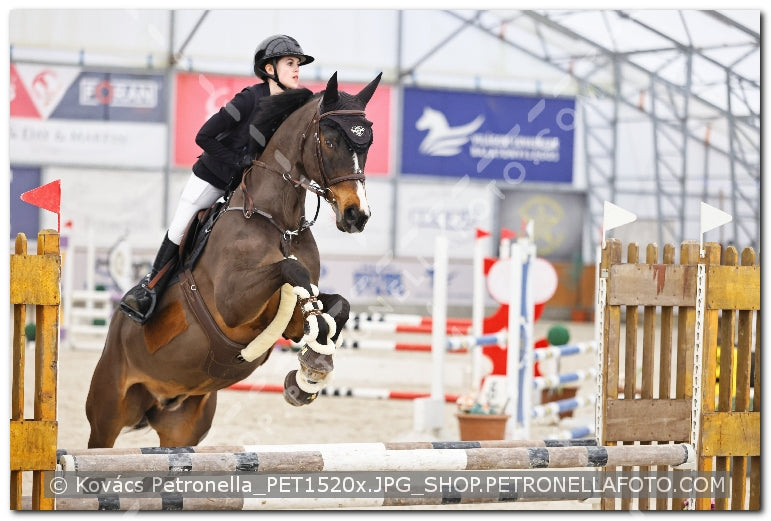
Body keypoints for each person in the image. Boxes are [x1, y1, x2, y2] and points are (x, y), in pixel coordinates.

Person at [120, 34, 315, 324]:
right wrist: (237, 162)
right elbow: (204, 136)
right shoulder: (249, 98)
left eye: (298, 63)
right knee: (181, 225)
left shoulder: (293, 107)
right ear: (270, 69)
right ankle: (150, 288)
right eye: (290, 63)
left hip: (249, 186)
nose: (297, 69)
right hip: (214, 177)